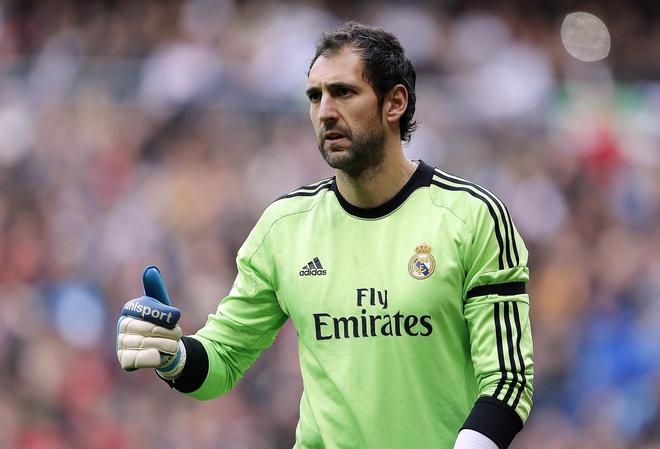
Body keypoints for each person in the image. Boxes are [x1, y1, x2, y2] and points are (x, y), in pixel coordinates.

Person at [116, 21, 533, 449]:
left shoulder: (470, 217)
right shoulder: (285, 226)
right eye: (315, 96)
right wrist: (175, 356)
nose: (325, 112)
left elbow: (508, 380)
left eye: (343, 92)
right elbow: (223, 357)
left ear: (395, 102)